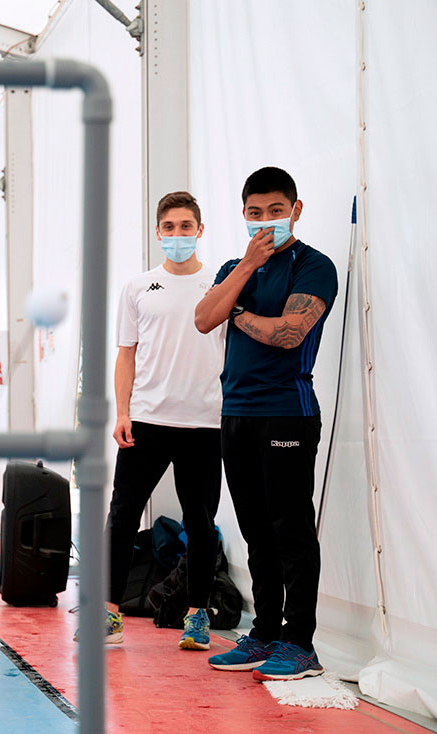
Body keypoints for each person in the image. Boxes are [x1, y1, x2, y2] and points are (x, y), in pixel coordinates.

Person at [195, 167, 337, 681]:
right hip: (235, 414)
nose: (265, 221)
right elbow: (203, 317)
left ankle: (300, 644)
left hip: (287, 413)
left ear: (295, 211)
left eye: (275, 211)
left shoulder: (313, 266)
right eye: (255, 213)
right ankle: (265, 633)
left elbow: (290, 334)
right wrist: (245, 271)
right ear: (243, 215)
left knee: (291, 529)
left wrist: (240, 315)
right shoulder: (235, 266)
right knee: (256, 530)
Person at [90, 192, 225, 652]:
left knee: (201, 522)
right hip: (146, 421)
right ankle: (108, 615)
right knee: (122, 515)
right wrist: (123, 411)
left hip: (205, 424)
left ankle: (197, 617)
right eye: (169, 227)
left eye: (186, 226)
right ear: (157, 232)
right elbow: (125, 355)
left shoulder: (219, 283)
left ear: (200, 231)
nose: (177, 235)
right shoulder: (137, 287)